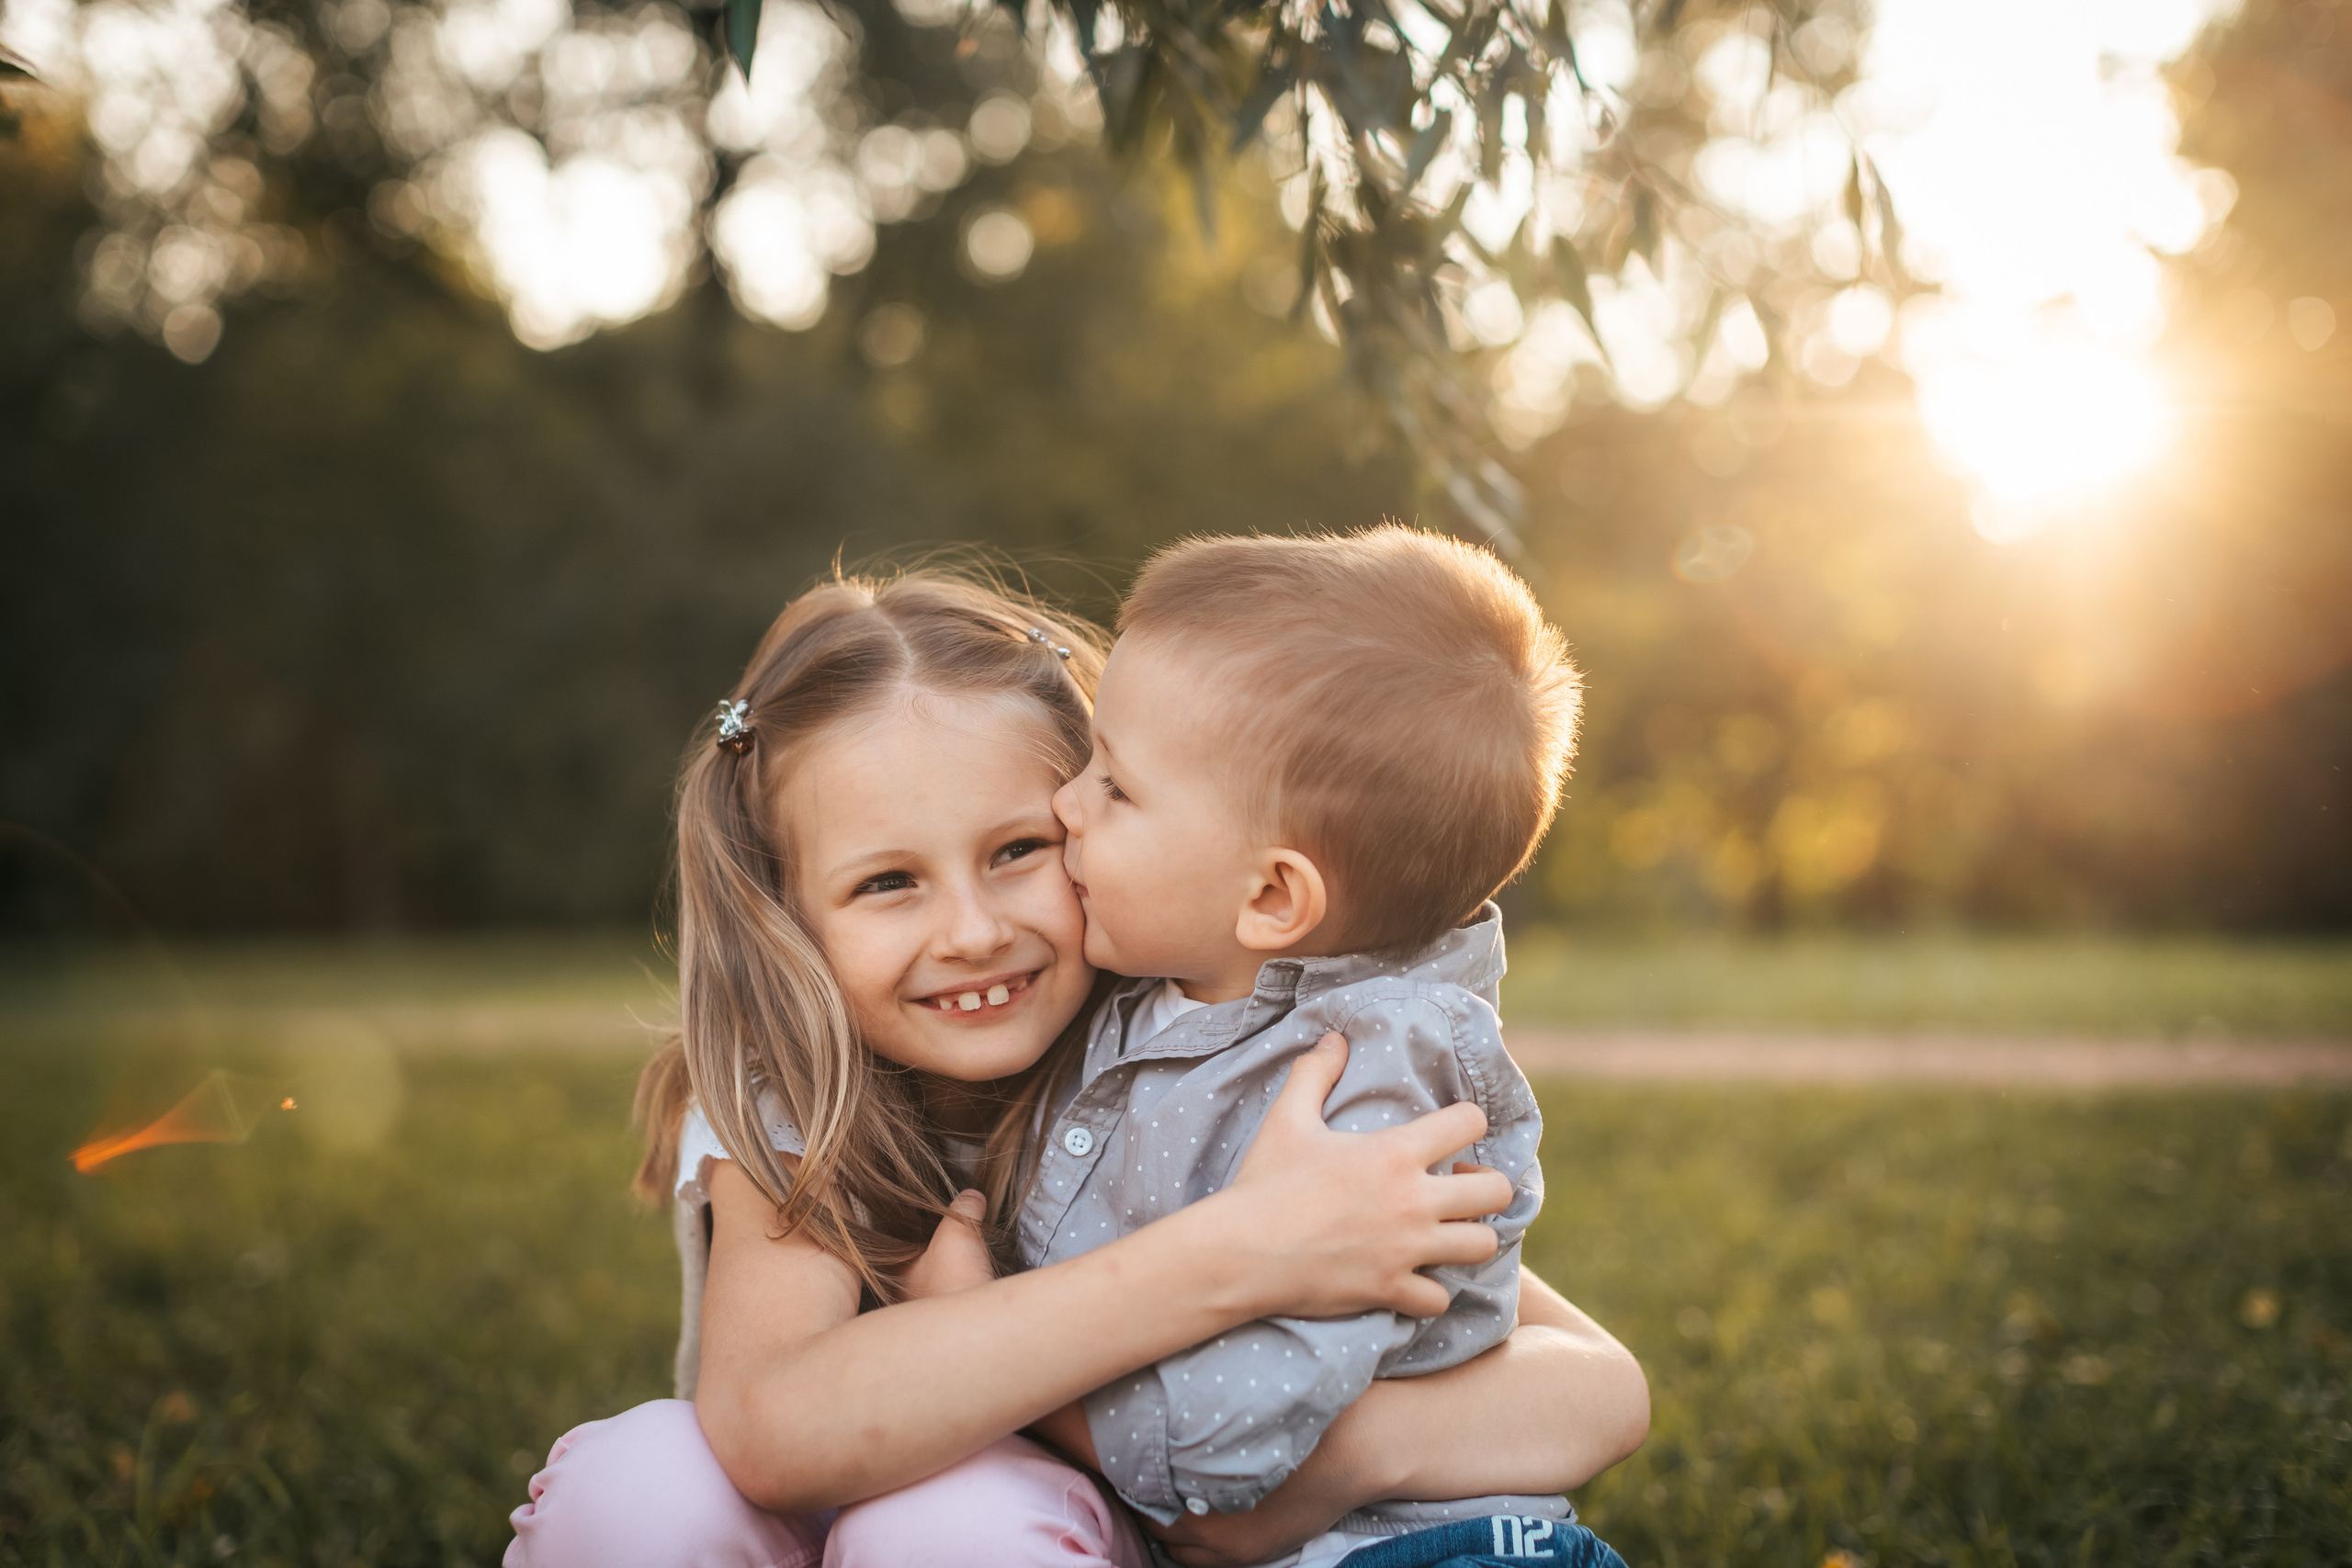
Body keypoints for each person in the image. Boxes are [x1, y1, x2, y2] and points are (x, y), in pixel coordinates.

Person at [503, 568, 1647, 1568]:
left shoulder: (1215, 1055)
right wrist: (1236, 1253)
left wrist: (1336, 1466)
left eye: (1019, 851)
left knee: (954, 1523)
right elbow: (771, 1429)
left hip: (1043, 1539)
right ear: (787, 911)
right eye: (888, 883)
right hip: (819, 1524)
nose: (972, 932)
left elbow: (1599, 1389)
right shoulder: (799, 1095)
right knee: (638, 1489)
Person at [1028, 525, 1617, 1568]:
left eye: (1115, 788)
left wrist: (1000, 1358)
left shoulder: (1374, 1076)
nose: (1066, 805)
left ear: (1270, 896)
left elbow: (1223, 1462)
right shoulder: (1157, 988)